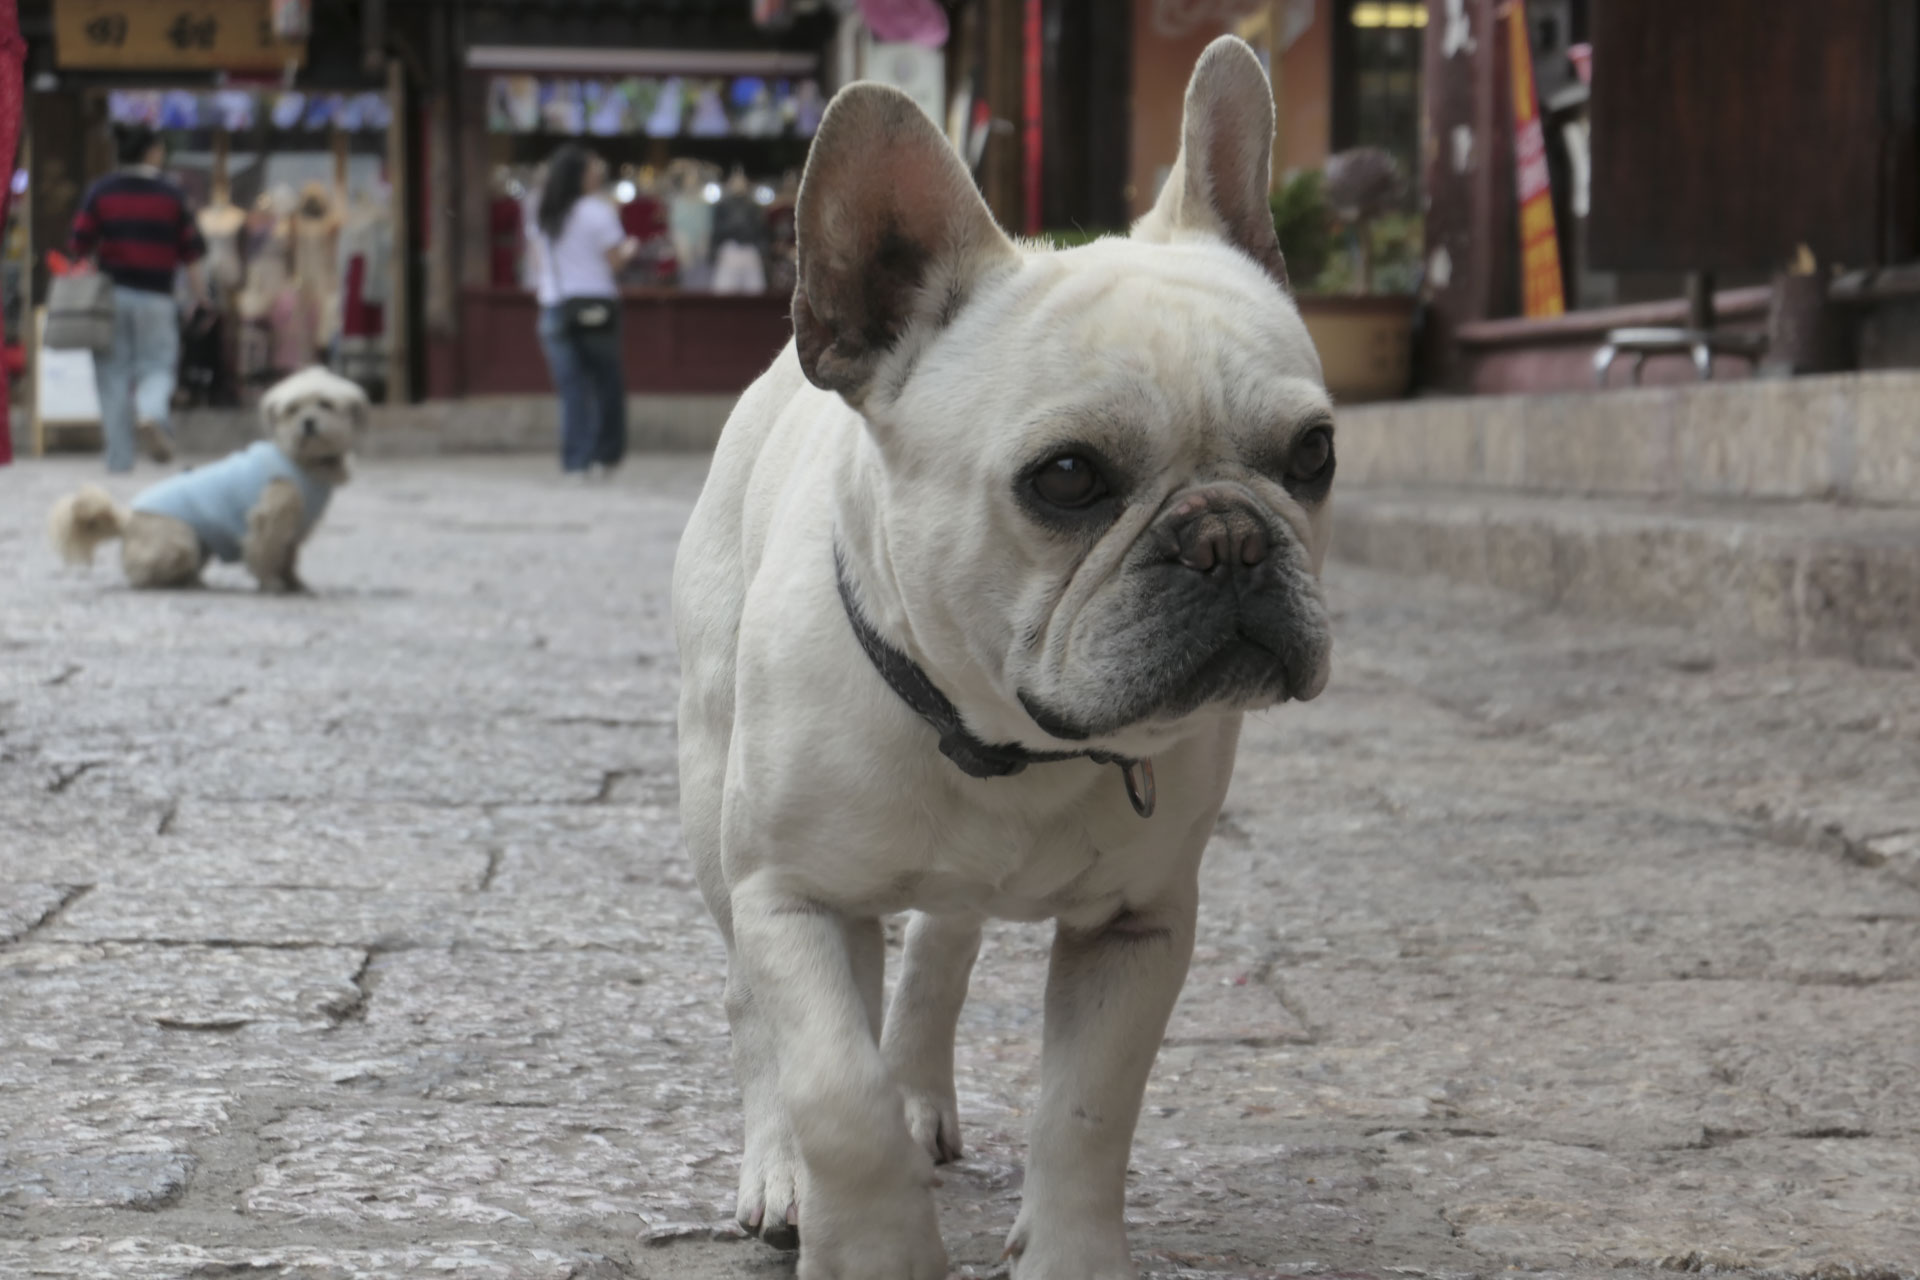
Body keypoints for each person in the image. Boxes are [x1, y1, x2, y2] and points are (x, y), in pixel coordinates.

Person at [69, 123, 209, 471]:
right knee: (158, 366)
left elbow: (78, 246)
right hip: (158, 298)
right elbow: (192, 254)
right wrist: (202, 297)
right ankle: (151, 412)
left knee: (112, 376)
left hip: (110, 296)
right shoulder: (171, 195)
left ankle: (118, 461)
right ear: (153, 151)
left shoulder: (101, 191)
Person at [530, 145, 637, 478]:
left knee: (572, 389)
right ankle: (605, 456)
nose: (598, 176)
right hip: (596, 305)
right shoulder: (597, 212)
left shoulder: (543, 211)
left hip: (554, 306)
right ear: (580, 176)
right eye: (593, 171)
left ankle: (576, 460)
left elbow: (537, 261)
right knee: (605, 383)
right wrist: (630, 249)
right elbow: (616, 262)